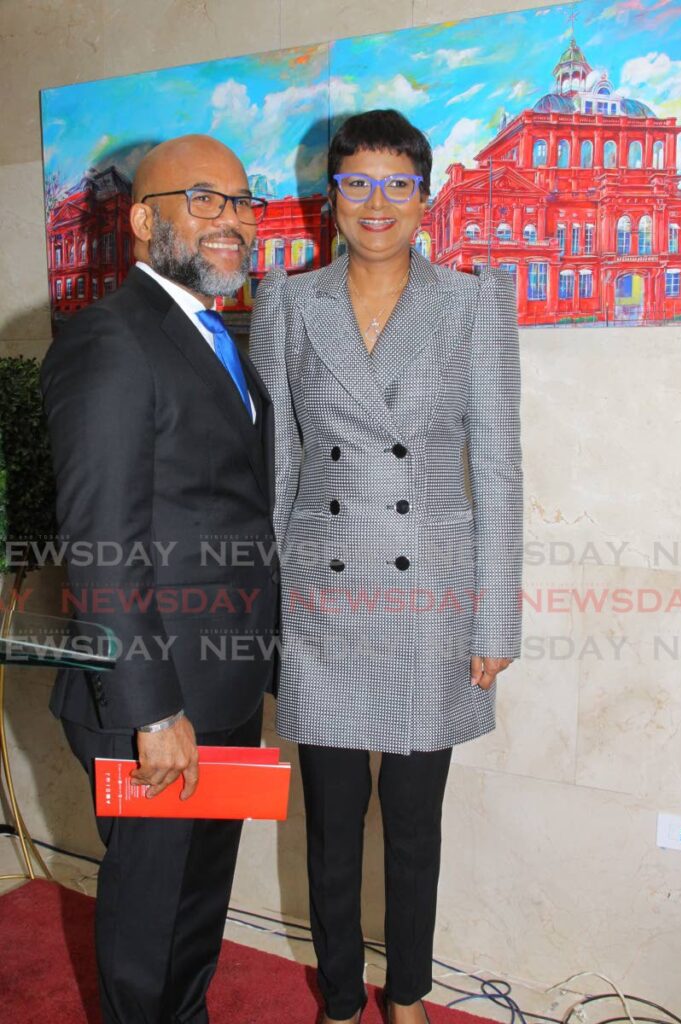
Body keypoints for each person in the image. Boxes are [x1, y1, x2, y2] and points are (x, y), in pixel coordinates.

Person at [250, 109, 523, 1024]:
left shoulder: (475, 303)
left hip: (431, 603)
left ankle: (407, 997)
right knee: (329, 830)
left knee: (412, 827)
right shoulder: (288, 303)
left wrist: (495, 624)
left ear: (425, 195)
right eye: (357, 182)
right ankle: (335, 1000)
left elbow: (499, 468)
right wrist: (269, 611)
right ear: (331, 197)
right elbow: (280, 464)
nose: (378, 202)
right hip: (321, 599)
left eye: (397, 183)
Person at [41, 134, 278, 1024]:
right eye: (205, 200)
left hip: (217, 682)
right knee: (149, 924)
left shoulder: (214, 336)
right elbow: (102, 537)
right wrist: (153, 711)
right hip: (151, 700)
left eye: (243, 203)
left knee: (195, 907)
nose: (233, 221)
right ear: (145, 220)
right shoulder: (110, 341)